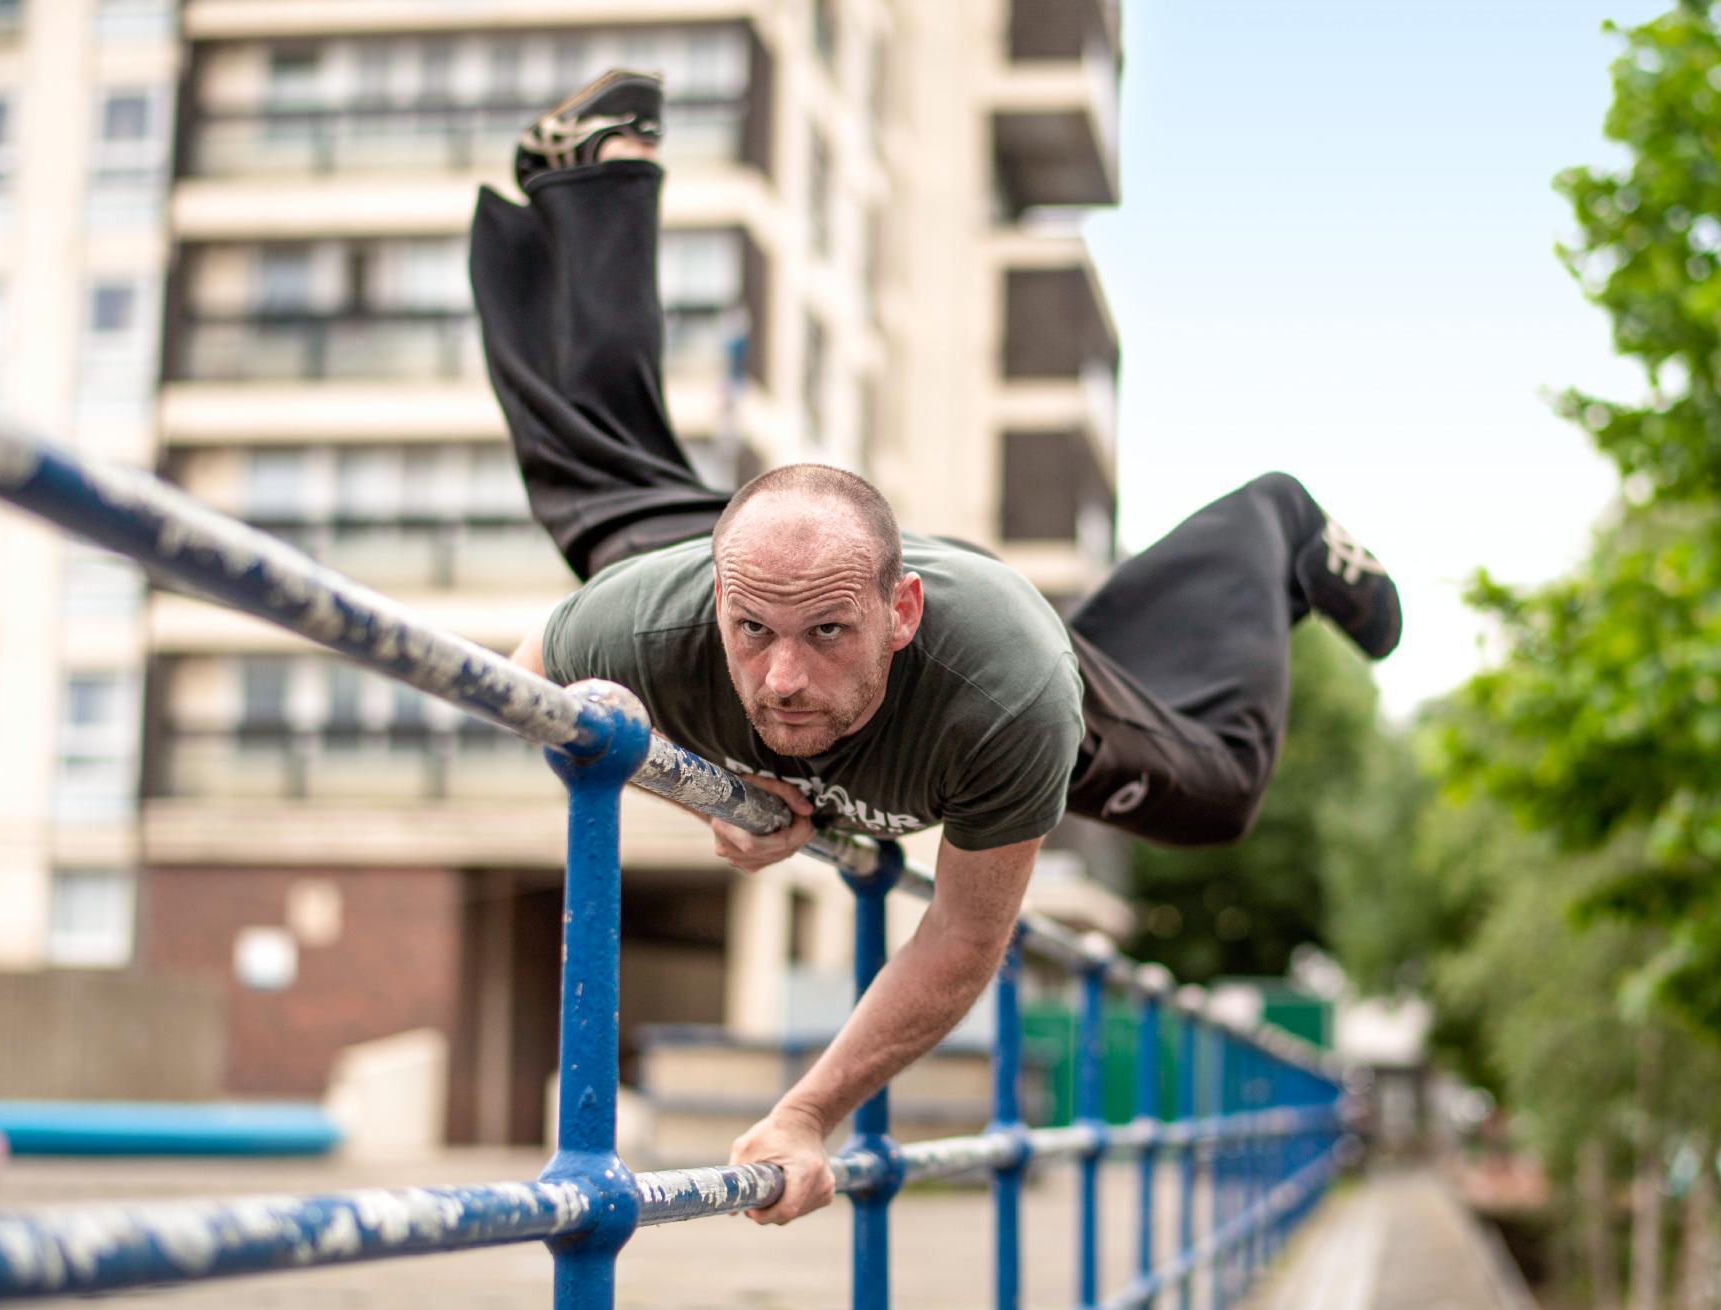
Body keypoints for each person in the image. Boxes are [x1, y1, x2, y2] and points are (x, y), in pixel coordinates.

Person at [478, 71, 1401, 1226]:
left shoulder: (1000, 690)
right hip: (790, 548)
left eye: (825, 639)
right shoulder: (666, 615)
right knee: (592, 495)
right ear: (716, 599)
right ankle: (591, 174)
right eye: (752, 636)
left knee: (1209, 796)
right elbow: (526, 684)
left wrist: (807, 1111)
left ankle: (1272, 524)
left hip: (1008, 665)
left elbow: (963, 937)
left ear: (896, 612)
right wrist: (696, 786)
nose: (781, 681)